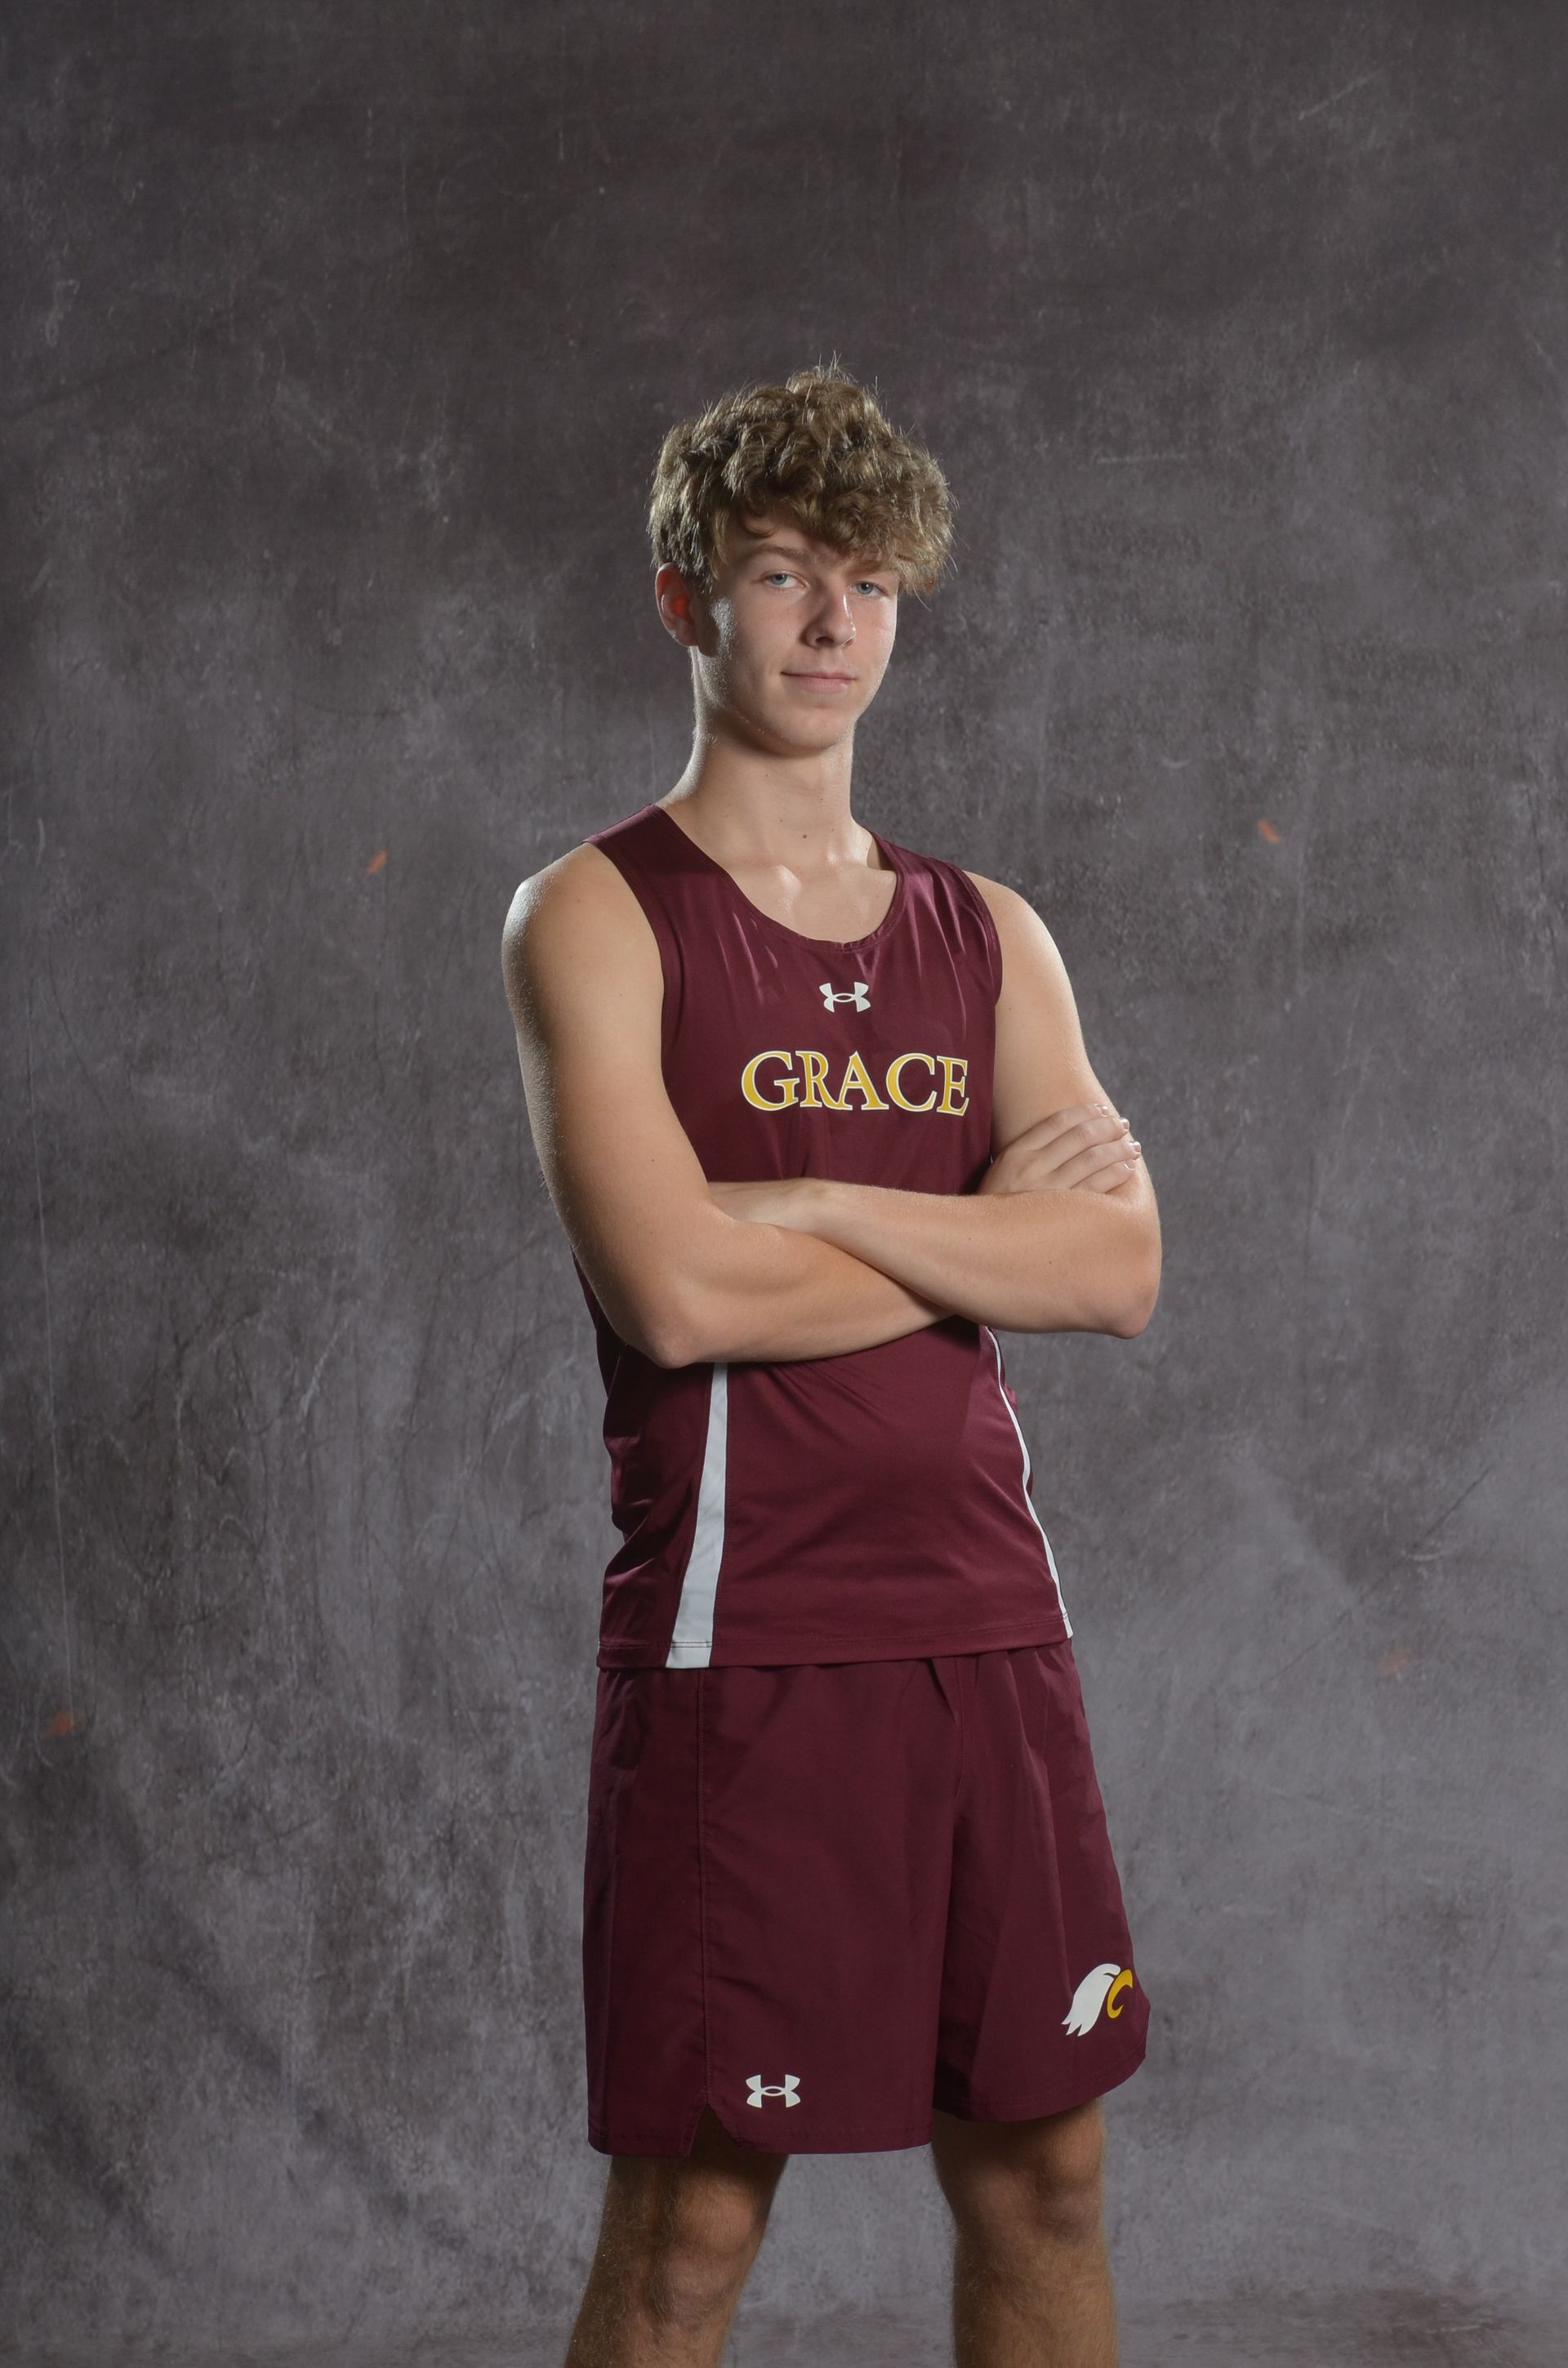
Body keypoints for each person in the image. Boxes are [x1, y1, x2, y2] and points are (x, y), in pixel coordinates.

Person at [501, 363, 1161, 2368]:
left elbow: (1116, 1266)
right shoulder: (596, 915)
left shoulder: (990, 931)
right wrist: (970, 1237)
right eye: (784, 571)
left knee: (1048, 2176)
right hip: (745, 1638)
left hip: (990, 1627)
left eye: (868, 581)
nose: (831, 621)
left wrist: (805, 1199)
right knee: (695, 2224)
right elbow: (678, 1299)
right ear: (686, 597)